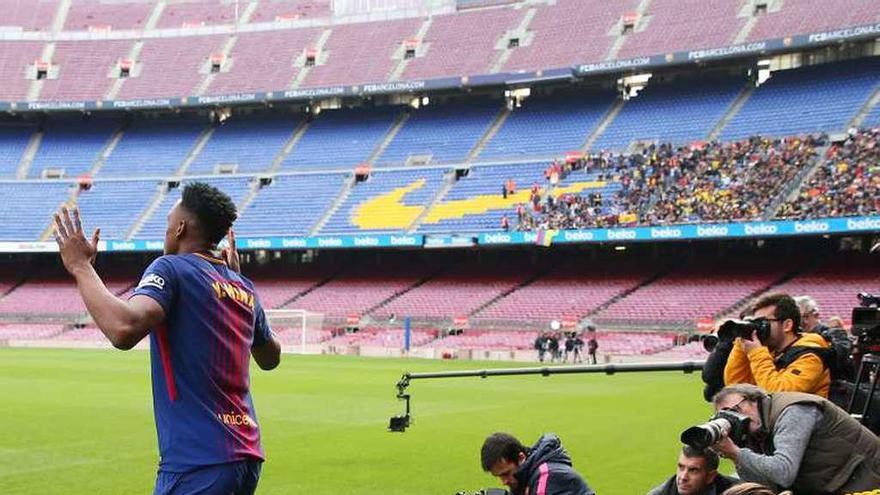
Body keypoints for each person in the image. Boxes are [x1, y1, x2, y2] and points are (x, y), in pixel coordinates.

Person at [52, 183, 281, 495]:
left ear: (181, 228)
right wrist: (236, 285)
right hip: (246, 458)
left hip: (197, 462)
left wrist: (80, 267)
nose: (167, 229)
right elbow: (270, 358)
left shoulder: (171, 269)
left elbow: (124, 328)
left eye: (168, 222)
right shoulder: (242, 287)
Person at [711, 384, 880, 495]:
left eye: (735, 409)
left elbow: (784, 473)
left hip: (866, 479)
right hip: (837, 482)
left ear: (755, 399)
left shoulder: (793, 411)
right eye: (728, 416)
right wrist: (736, 455)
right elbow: (764, 485)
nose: (736, 418)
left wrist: (737, 453)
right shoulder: (757, 427)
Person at [723, 293, 831, 398]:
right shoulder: (772, 351)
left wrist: (756, 353)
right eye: (756, 322)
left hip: (806, 414)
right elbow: (736, 387)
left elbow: (778, 394)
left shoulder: (810, 356)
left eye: (763, 322)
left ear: (787, 325)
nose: (758, 327)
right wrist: (741, 344)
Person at [481, 432, 594, 495]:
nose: (504, 482)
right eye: (499, 476)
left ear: (521, 458)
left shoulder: (547, 476)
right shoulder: (525, 476)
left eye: (506, 473)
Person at [794, 295, 854, 381]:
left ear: (815, 315)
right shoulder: (794, 337)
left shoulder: (833, 334)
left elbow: (840, 361)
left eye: (802, 317)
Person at [646, 445, 738, 495]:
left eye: (693, 470)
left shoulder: (736, 491)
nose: (683, 477)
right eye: (681, 467)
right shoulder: (661, 493)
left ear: (710, 476)